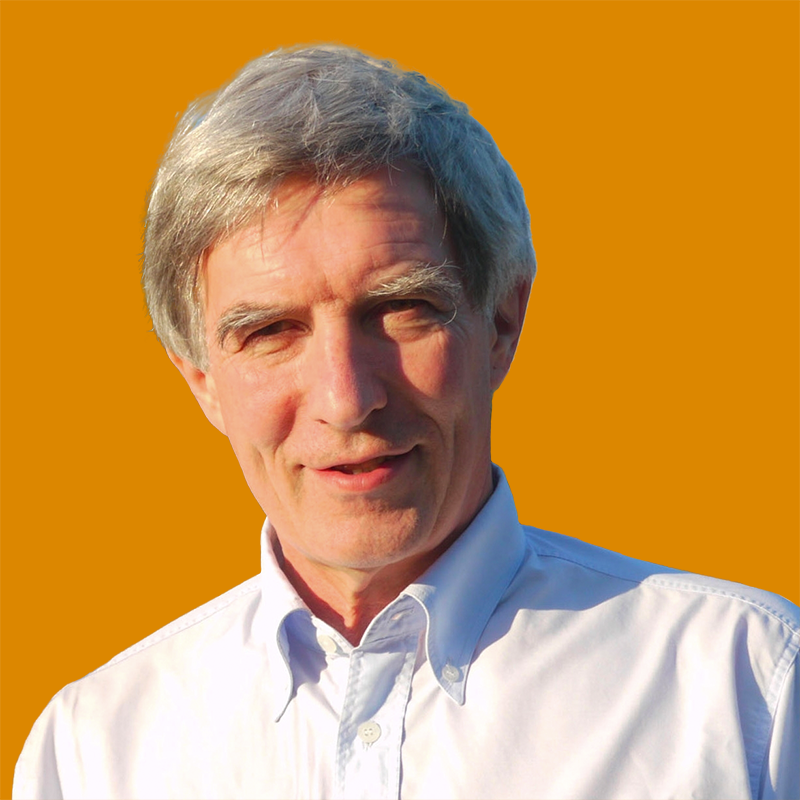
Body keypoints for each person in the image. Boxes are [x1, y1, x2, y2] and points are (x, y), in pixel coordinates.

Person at [14, 44, 798, 800]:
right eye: (270, 331)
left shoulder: (745, 688)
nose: (346, 398)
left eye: (400, 309)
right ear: (201, 381)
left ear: (501, 322)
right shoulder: (93, 752)